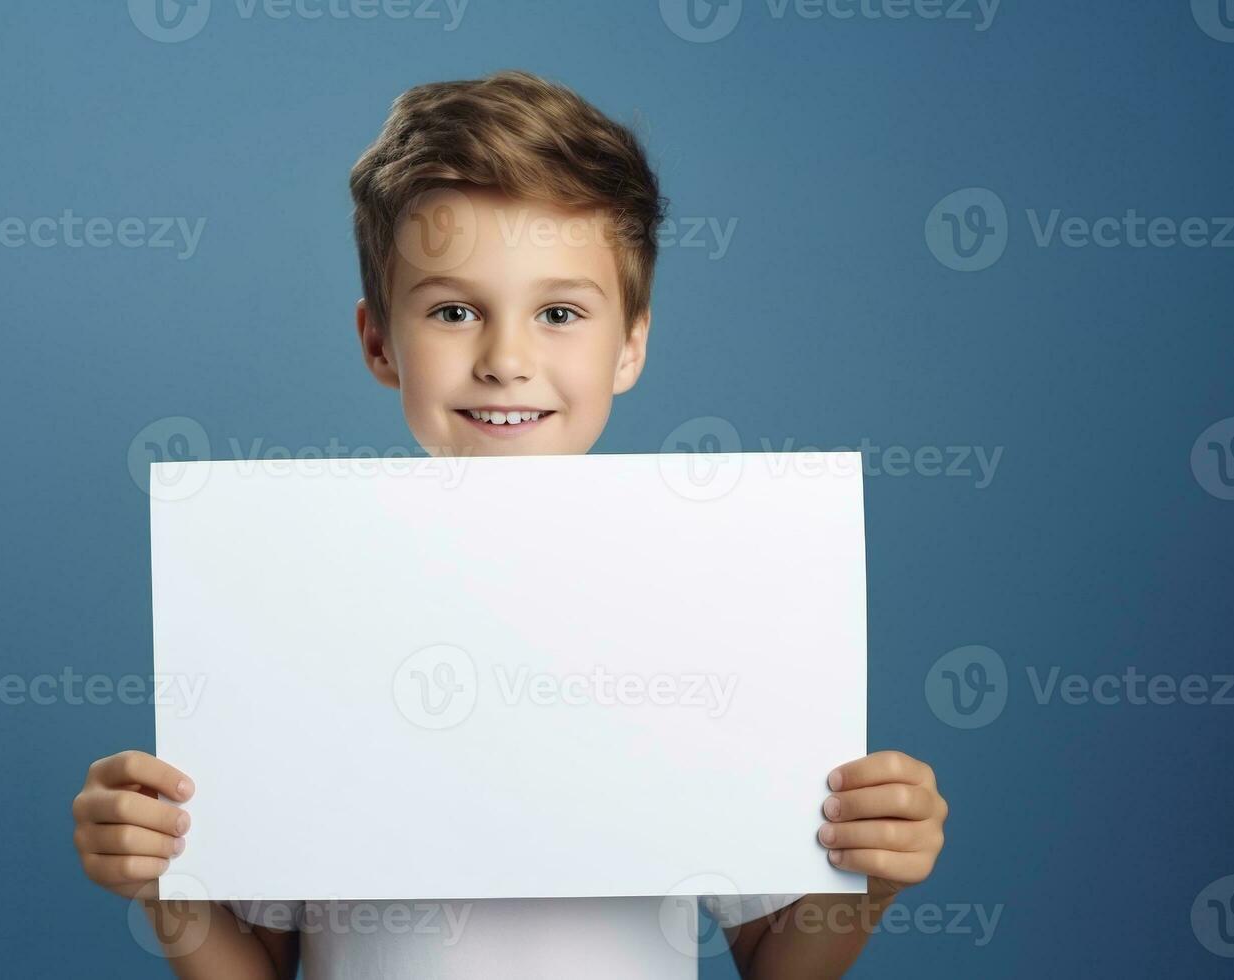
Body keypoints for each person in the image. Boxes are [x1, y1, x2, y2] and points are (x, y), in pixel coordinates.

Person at [71, 69, 948, 979]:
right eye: (455, 311)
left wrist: (868, 877)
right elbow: (259, 968)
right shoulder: (306, 602)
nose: (507, 360)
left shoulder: (698, 601)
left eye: (560, 312)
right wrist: (166, 886)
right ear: (379, 342)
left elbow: (774, 960)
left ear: (632, 343)